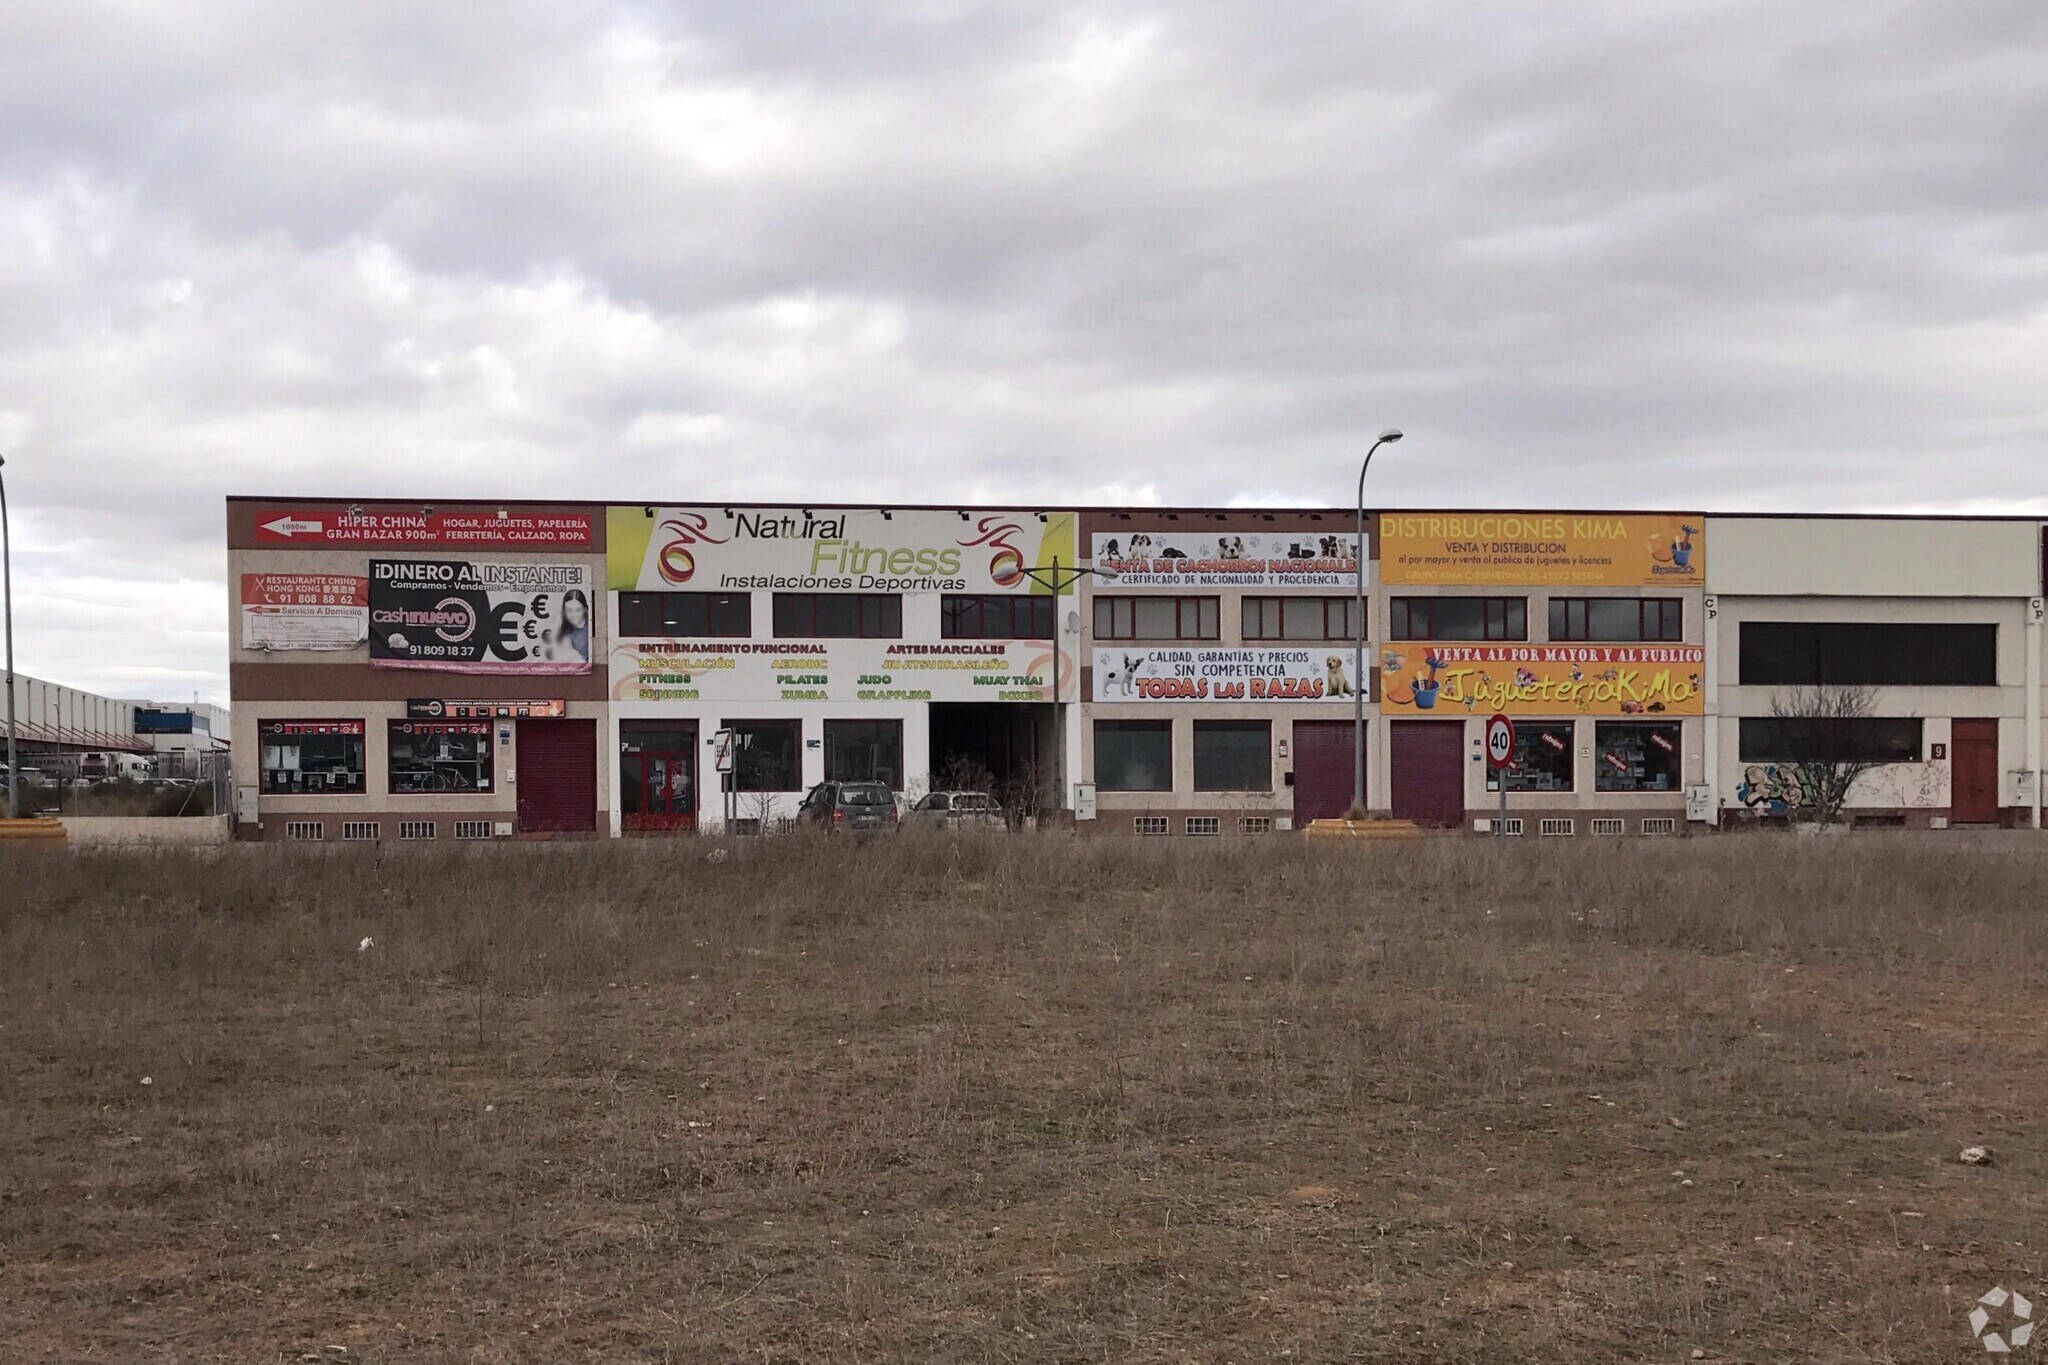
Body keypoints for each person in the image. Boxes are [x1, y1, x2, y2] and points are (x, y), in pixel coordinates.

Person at [558, 590, 591, 661]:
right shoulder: (565, 635)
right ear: (564, 611)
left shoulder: (591, 628)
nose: (573, 615)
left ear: (585, 609)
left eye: (578, 610)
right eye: (569, 610)